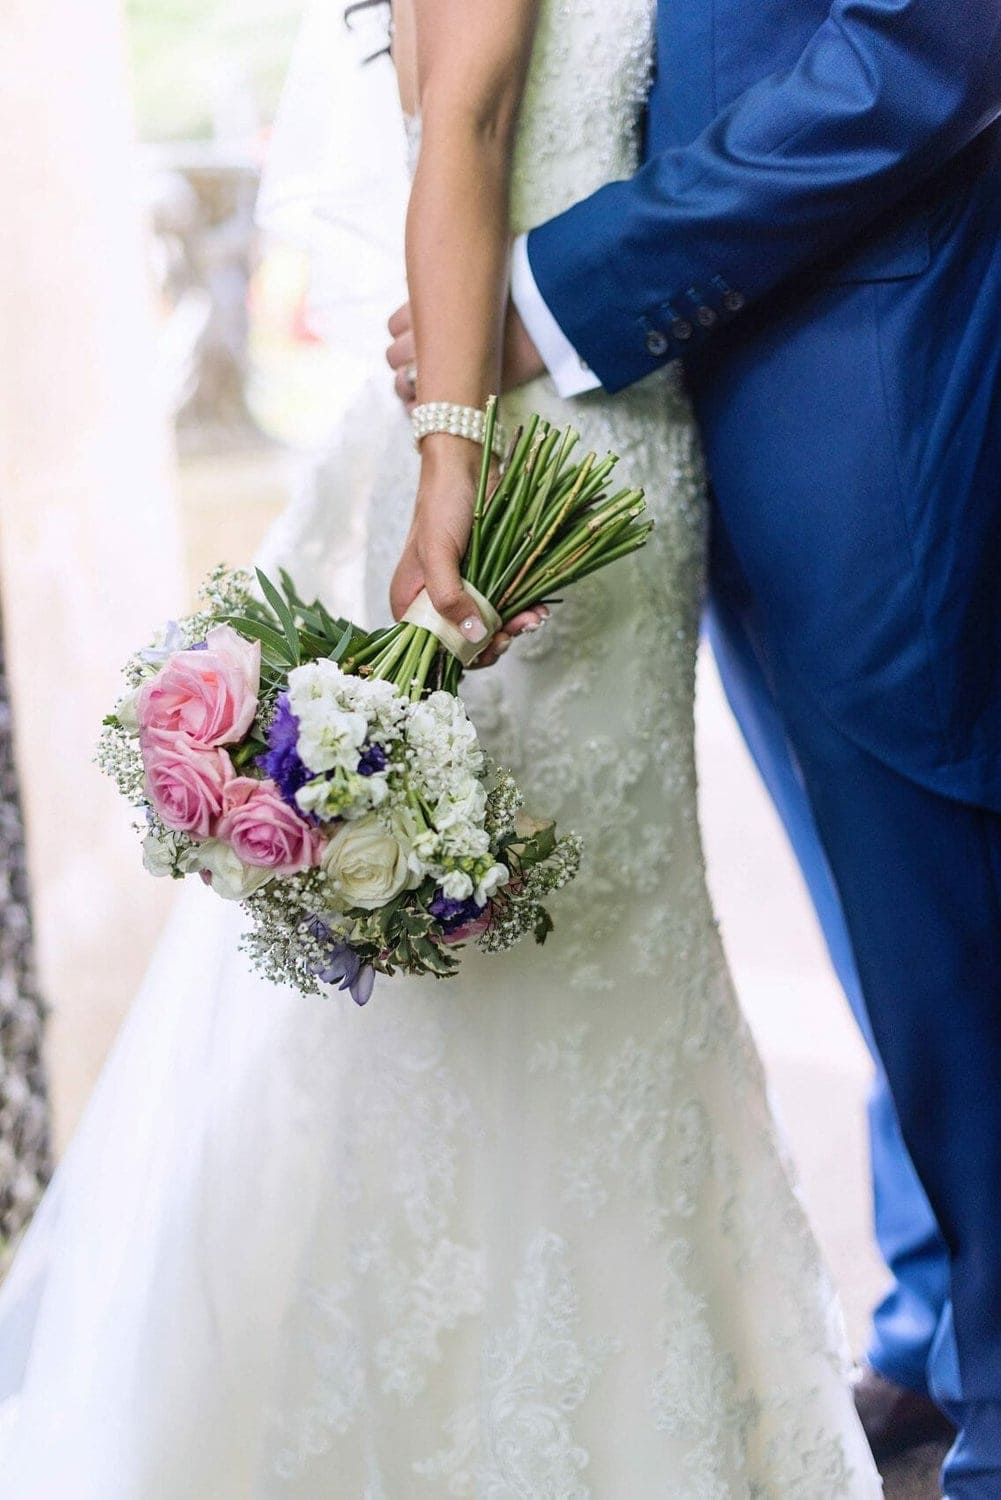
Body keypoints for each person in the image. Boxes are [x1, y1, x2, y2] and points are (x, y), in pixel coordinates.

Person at [0, 1, 883, 1493]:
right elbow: (462, 129)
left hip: (577, 398)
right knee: (516, 963)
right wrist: (449, 460)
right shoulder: (468, 450)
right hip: (528, 429)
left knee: (592, 943)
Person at [387, 0, 1001, 1493]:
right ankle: (937, 1320)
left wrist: (555, 295)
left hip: (860, 339)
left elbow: (928, 46)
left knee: (945, 897)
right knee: (865, 894)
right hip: (669, 392)